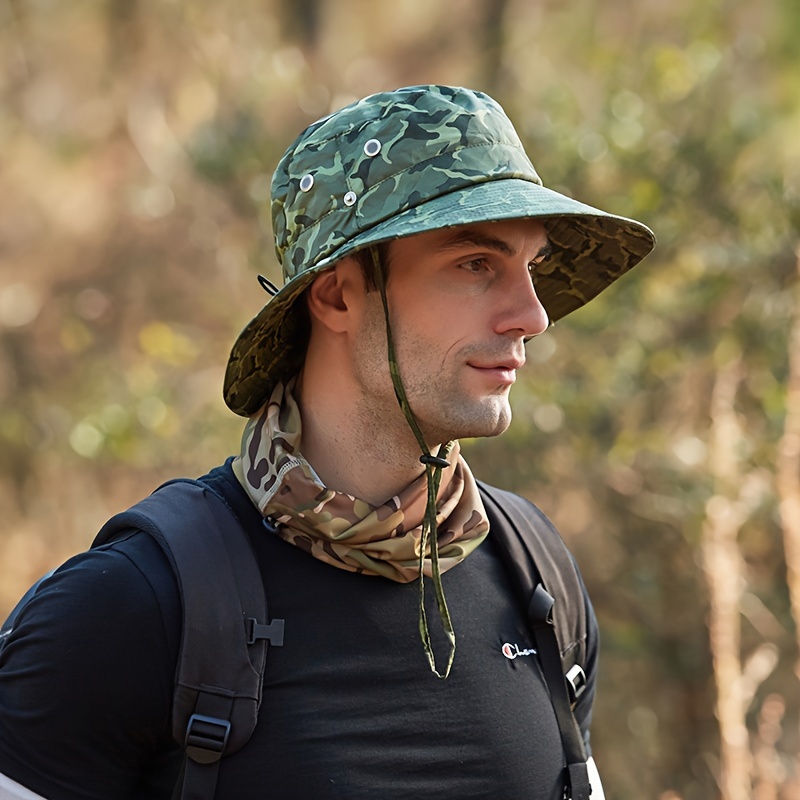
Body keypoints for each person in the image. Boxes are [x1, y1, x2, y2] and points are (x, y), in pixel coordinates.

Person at [0, 85, 655, 800]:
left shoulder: (537, 576)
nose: (532, 315)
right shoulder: (130, 608)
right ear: (338, 296)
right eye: (476, 264)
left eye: (529, 268)